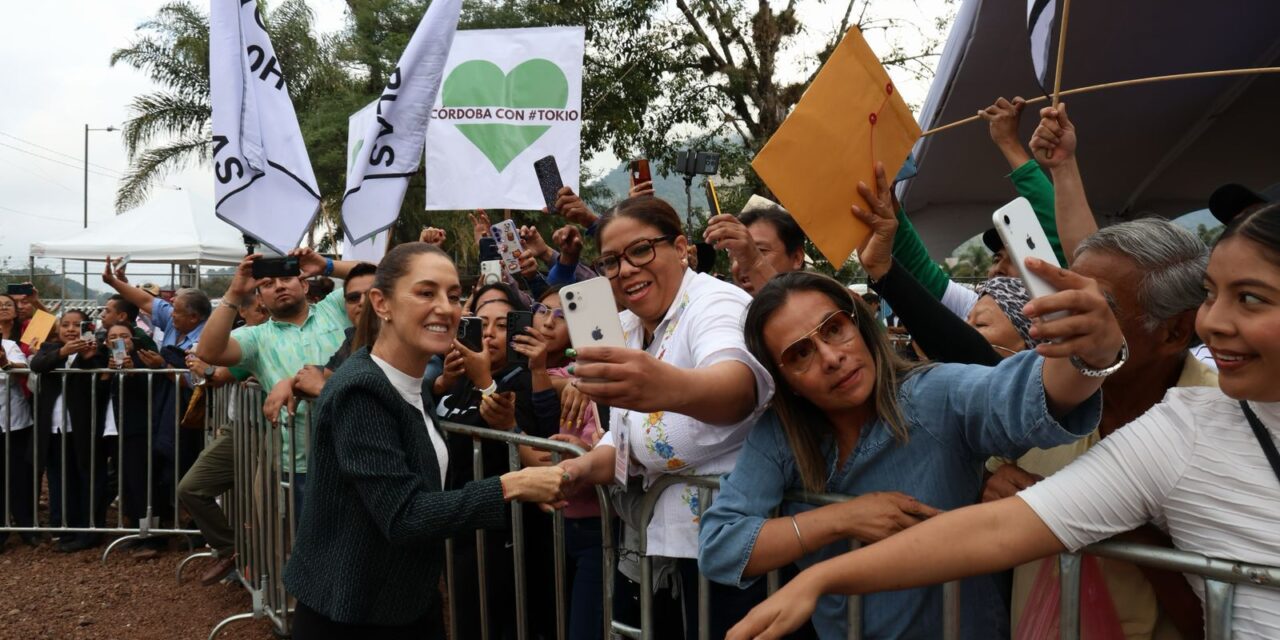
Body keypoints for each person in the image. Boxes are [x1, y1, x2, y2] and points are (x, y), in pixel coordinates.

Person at [725, 201, 1280, 640]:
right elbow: (995, 525)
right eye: (797, 354)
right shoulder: (1184, 428)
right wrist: (835, 542)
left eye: (1251, 299)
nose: (1218, 321)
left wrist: (1115, 522)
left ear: (1173, 331)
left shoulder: (943, 397)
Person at [698, 166, 1124, 637]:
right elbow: (721, 545)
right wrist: (843, 517)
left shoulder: (931, 396)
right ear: (785, 379)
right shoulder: (782, 434)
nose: (831, 358)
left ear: (859, 325)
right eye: (800, 354)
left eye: (834, 329)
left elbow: (1029, 394)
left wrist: (1092, 351)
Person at [282, 242, 569, 639]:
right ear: (381, 304)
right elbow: (403, 515)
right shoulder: (361, 390)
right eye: (425, 292)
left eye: (453, 296)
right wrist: (513, 485)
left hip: (406, 604)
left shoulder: (412, 388)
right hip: (350, 614)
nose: (446, 307)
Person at [555, 195, 776, 637]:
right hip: (662, 550)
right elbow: (622, 441)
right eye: (611, 262)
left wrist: (664, 387)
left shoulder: (715, 304)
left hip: (739, 557)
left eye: (641, 250)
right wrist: (573, 471)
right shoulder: (630, 329)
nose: (627, 270)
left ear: (680, 247)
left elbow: (738, 387)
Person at [433, 281, 562, 639]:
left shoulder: (524, 381)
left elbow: (540, 454)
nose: (489, 333)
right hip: (460, 525)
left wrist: (485, 379)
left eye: (503, 325)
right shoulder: (458, 377)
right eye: (481, 322)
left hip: (507, 535)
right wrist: (444, 382)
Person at [196, 249, 362, 511]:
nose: (279, 286)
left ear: (304, 284)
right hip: (303, 464)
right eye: (267, 284)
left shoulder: (334, 307)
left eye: (286, 278)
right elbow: (208, 352)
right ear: (260, 299)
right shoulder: (256, 337)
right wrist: (234, 293)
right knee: (309, 546)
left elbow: (381, 276)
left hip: (361, 449)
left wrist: (327, 265)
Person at [177, 299, 270, 586]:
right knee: (191, 488)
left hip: (269, 432)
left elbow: (216, 375)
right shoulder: (236, 339)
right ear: (241, 312)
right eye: (259, 308)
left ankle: (265, 576)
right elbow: (215, 372)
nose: (265, 312)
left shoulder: (270, 338)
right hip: (237, 428)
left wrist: (205, 369)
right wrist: (203, 367)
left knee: (261, 508)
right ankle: (233, 551)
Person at [29, 310, 109, 552]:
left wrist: (88, 357)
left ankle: (90, 530)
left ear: (88, 327)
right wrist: (63, 352)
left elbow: (102, 379)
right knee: (58, 478)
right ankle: (63, 527)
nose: (71, 329)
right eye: (66, 325)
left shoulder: (97, 350)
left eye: (77, 325)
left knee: (87, 476)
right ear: (58, 328)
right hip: (54, 427)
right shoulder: (49, 348)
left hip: (83, 428)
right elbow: (37, 364)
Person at [704, 195, 808, 295]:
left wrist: (755, 262)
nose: (744, 261)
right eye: (736, 255)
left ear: (797, 258)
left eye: (759, 250)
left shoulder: (818, 306)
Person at [0, 333, 35, 550]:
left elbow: (23, 371)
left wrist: (5, 363)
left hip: (14, 423)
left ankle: (28, 529)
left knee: (19, 478)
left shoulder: (9, 345)